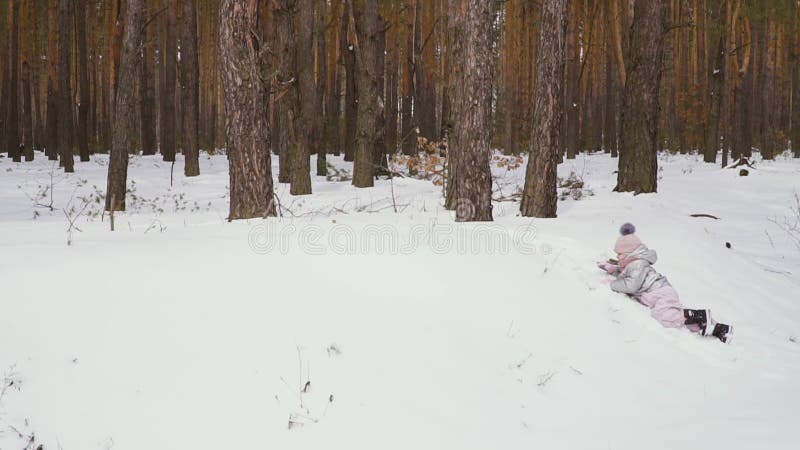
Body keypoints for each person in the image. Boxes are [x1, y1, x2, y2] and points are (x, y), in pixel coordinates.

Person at [598, 223, 733, 343]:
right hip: (659, 293)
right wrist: (613, 270)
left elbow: (631, 285)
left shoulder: (638, 264)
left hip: (660, 293)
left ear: (630, 253)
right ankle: (718, 328)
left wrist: (612, 285)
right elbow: (628, 276)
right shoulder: (633, 264)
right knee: (679, 318)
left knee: (664, 317)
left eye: (620, 254)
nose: (617, 257)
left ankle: (698, 315)